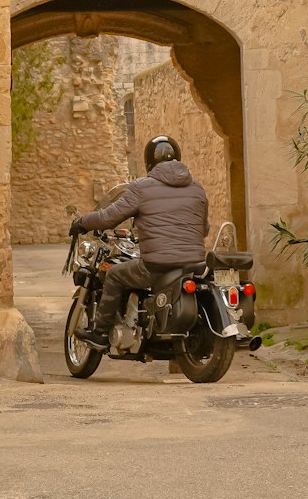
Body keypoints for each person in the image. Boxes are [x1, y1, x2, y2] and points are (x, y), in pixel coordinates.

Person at [70, 134, 209, 351]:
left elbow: (109, 217)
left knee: (115, 273)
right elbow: (204, 228)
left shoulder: (141, 187)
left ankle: (99, 334)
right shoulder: (197, 188)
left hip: (157, 265)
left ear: (149, 162)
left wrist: (82, 223)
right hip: (194, 263)